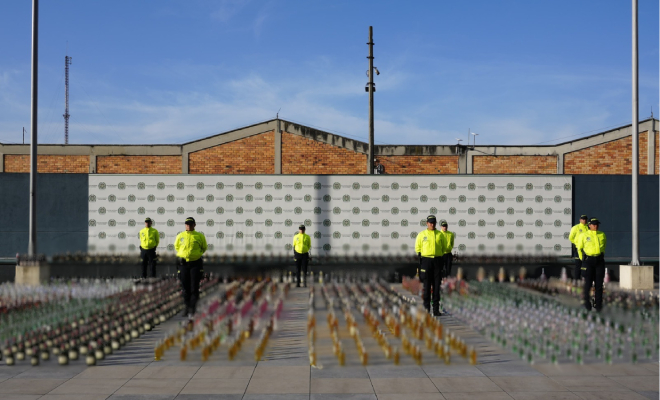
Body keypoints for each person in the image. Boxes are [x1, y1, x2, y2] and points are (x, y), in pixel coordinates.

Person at [174, 217, 207, 317]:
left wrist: (195, 255)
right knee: (185, 287)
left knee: (194, 287)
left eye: (191, 224)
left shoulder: (199, 236)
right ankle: (187, 307)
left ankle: (193, 307)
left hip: (195, 264)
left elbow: (204, 247)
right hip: (183, 264)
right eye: (187, 224)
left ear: (194, 225)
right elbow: (177, 247)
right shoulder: (180, 236)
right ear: (185, 225)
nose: (189, 226)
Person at [415, 215, 446, 316]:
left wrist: (439, 257)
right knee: (427, 286)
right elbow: (418, 247)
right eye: (430, 223)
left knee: (436, 287)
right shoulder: (422, 234)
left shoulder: (440, 235)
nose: (432, 224)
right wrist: (422, 258)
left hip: (437, 261)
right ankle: (426, 309)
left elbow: (444, 248)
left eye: (433, 223)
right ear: (427, 223)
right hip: (426, 261)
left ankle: (436, 310)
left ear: (436, 223)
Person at [576, 218, 607, 311]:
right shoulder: (584, 235)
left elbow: (604, 246)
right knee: (588, 284)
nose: (595, 226)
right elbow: (579, 248)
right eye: (593, 224)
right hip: (588, 261)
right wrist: (583, 259)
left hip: (599, 261)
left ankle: (598, 305)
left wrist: (601, 255)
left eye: (597, 224)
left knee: (599, 285)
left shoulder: (602, 234)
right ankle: (587, 304)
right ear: (589, 225)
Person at [568, 214, 589, 280]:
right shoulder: (575, 228)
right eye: (583, 219)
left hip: (587, 249)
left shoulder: (588, 227)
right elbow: (571, 238)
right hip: (578, 248)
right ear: (580, 220)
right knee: (578, 265)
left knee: (586, 265)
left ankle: (586, 280)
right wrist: (578, 243)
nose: (584, 220)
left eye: (585, 219)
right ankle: (577, 280)